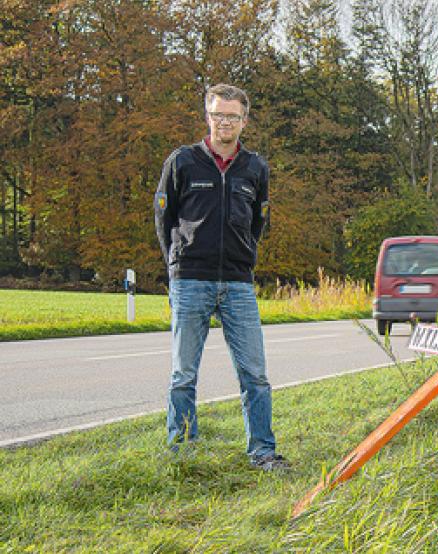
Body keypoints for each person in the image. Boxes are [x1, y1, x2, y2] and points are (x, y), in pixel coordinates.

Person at [154, 84, 288, 470]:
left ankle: (262, 451)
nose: (224, 122)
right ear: (207, 117)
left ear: (244, 121)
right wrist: (175, 267)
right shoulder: (182, 162)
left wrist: (244, 257)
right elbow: (164, 219)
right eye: (217, 114)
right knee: (183, 373)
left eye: (232, 116)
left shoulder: (255, 168)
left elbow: (259, 221)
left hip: (238, 283)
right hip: (190, 279)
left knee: (255, 374)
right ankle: (183, 453)